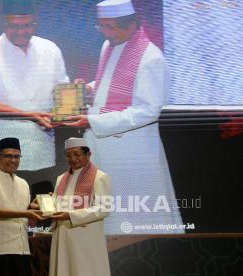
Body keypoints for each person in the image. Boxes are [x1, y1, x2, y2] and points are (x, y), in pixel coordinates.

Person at [65, 0, 183, 234]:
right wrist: (88, 88)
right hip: (104, 143)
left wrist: (93, 121)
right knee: (107, 203)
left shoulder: (151, 59)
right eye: (102, 27)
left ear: (130, 25)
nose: (105, 33)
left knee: (136, 205)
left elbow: (147, 111)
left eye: (110, 27)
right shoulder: (110, 45)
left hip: (132, 150)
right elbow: (112, 84)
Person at [0, 0, 69, 171]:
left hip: (40, 149)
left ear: (35, 22)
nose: (21, 32)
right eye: (14, 26)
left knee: (41, 197)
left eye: (27, 25)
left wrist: (77, 91)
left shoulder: (50, 49)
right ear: (2, 23)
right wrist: (29, 115)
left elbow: (61, 91)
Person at [0, 137, 44, 276]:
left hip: (21, 247)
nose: (13, 160)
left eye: (17, 156)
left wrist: (33, 208)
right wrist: (26, 213)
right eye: (8, 156)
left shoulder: (23, 183)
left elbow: (20, 210)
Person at [49, 137, 110, 276]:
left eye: (77, 154)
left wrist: (70, 215)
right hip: (63, 235)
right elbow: (59, 205)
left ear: (88, 154)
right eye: (68, 155)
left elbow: (103, 209)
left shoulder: (100, 177)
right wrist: (47, 204)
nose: (73, 158)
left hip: (86, 237)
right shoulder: (61, 178)